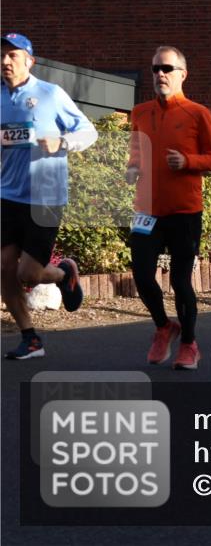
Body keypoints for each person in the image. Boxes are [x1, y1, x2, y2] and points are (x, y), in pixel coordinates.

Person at [127, 46, 211, 370]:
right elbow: (136, 154)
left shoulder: (198, 113)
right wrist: (132, 168)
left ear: (183, 74)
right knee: (141, 274)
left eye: (167, 68)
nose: (160, 75)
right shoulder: (140, 112)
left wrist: (187, 162)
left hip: (184, 210)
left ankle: (189, 344)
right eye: (155, 69)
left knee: (180, 281)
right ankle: (163, 326)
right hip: (146, 210)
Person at [2, 33, 96, 360]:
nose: (5, 61)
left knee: (27, 274)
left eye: (13, 55)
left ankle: (62, 273)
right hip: (7, 195)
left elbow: (88, 131)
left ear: (30, 60)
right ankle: (30, 339)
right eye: (2, 55)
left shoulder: (50, 94)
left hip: (45, 197)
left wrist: (62, 143)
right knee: (3, 268)